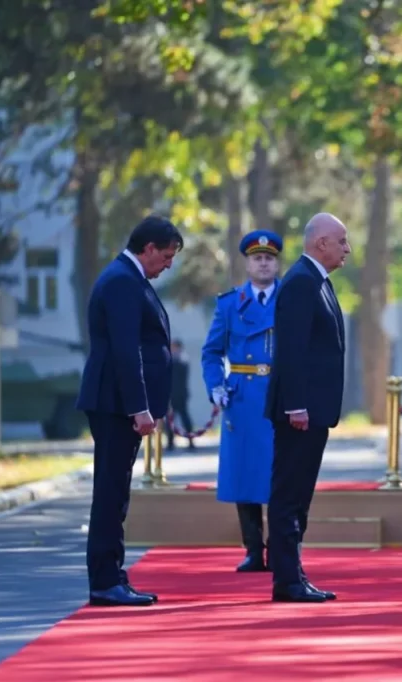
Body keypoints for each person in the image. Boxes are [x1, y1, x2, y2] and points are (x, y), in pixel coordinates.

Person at [75, 215, 184, 607]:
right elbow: (126, 350)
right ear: (149, 248)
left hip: (117, 403)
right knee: (110, 493)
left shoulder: (129, 278)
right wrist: (139, 407)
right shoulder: (122, 280)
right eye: (167, 255)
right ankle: (105, 580)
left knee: (116, 493)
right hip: (115, 404)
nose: (169, 264)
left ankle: (112, 575)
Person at [264, 213, 351, 603]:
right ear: (321, 244)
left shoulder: (317, 281)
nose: (347, 249)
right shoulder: (301, 282)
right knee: (288, 495)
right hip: (299, 413)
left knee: (300, 497)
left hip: (313, 411)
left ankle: (295, 573)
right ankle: (286, 580)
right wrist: (295, 406)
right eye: (342, 241)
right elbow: (291, 352)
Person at [202, 230, 283, 572]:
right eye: (256, 258)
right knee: (245, 475)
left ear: (277, 262)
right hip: (243, 397)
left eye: (269, 258)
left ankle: (282, 549)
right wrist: (216, 386)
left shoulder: (291, 300)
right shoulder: (229, 304)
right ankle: (253, 549)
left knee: (281, 476)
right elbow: (211, 353)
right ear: (247, 264)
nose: (263, 263)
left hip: (280, 394)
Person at [166, 340, 195, 451]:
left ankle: (190, 440)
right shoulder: (179, 359)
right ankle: (170, 442)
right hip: (174, 393)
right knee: (171, 419)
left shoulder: (181, 359)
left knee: (183, 418)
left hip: (179, 394)